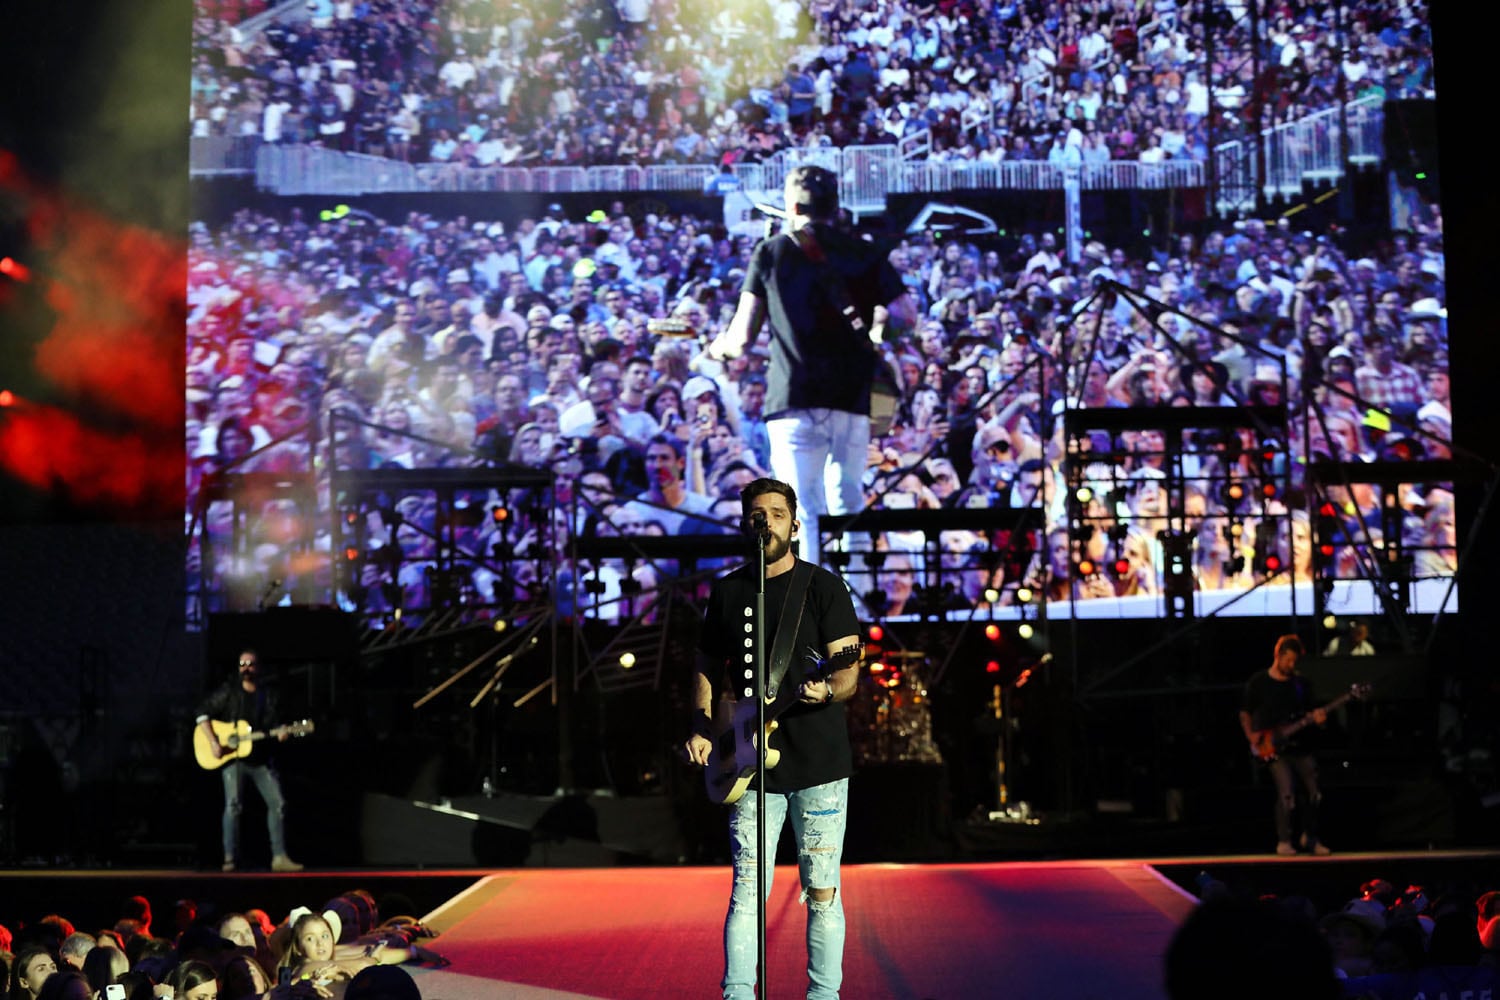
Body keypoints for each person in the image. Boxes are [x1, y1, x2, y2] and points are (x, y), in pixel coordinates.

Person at [683, 477, 862, 1000]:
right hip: (746, 762)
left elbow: (849, 666)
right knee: (746, 893)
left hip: (819, 762)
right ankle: (738, 994)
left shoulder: (824, 587)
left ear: (795, 523)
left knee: (823, 889)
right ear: (747, 524)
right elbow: (705, 665)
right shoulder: (728, 591)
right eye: (758, 514)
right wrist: (701, 723)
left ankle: (823, 996)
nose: (767, 522)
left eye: (777, 514)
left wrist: (827, 688)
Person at [708, 165, 915, 563]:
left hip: (794, 399)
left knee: (801, 509)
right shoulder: (863, 251)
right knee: (848, 501)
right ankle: (854, 599)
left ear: (791, 203)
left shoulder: (771, 252)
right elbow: (907, 317)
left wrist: (718, 349)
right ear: (836, 207)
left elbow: (741, 337)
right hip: (851, 399)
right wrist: (875, 335)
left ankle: (808, 611)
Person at [195, 649, 304, 872]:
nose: (246, 668)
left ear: (259, 668)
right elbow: (202, 714)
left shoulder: (268, 696)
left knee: (278, 804)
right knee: (233, 806)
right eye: (242, 663)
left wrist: (282, 732)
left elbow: (275, 724)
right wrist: (215, 742)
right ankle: (229, 858)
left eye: (251, 664)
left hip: (262, 759)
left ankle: (279, 857)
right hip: (233, 759)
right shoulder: (229, 693)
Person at [1239, 635, 1331, 856]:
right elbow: (1245, 711)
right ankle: (1284, 840)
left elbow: (1311, 712)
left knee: (1314, 793)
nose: (1291, 665)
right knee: (1286, 793)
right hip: (1273, 747)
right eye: (1288, 660)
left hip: (1300, 746)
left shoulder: (1301, 684)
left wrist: (1319, 719)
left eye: (1295, 661)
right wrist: (1251, 734)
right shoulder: (1259, 682)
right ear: (1278, 656)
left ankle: (1310, 836)